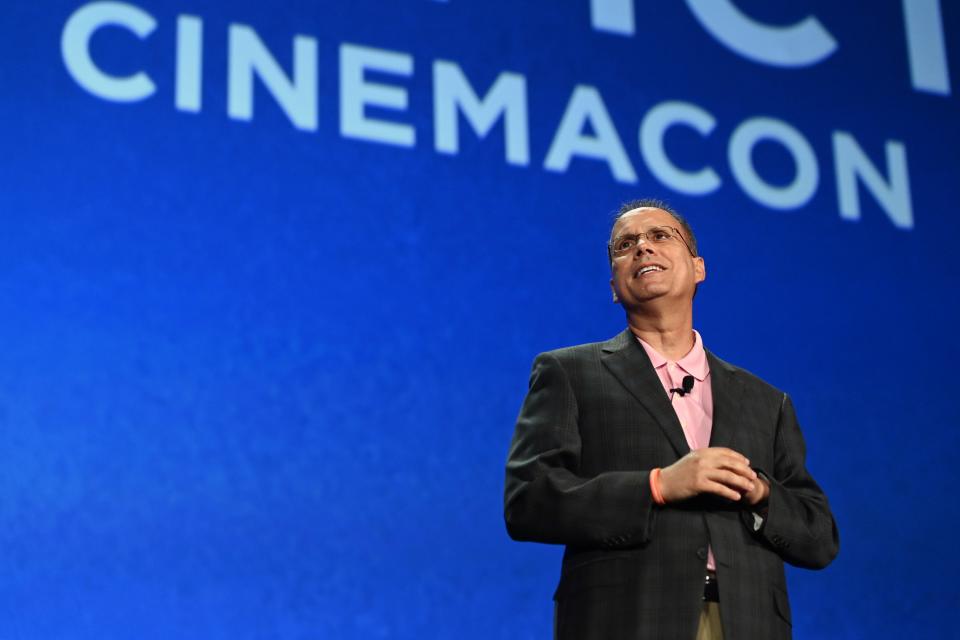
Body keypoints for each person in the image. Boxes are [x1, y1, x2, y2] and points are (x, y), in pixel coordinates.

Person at [503, 199, 839, 639]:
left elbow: (818, 539)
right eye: (625, 244)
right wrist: (658, 485)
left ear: (698, 268)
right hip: (627, 617)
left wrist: (759, 491)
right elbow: (529, 500)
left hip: (749, 621)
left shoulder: (766, 400)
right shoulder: (569, 372)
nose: (643, 248)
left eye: (660, 236)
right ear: (613, 286)